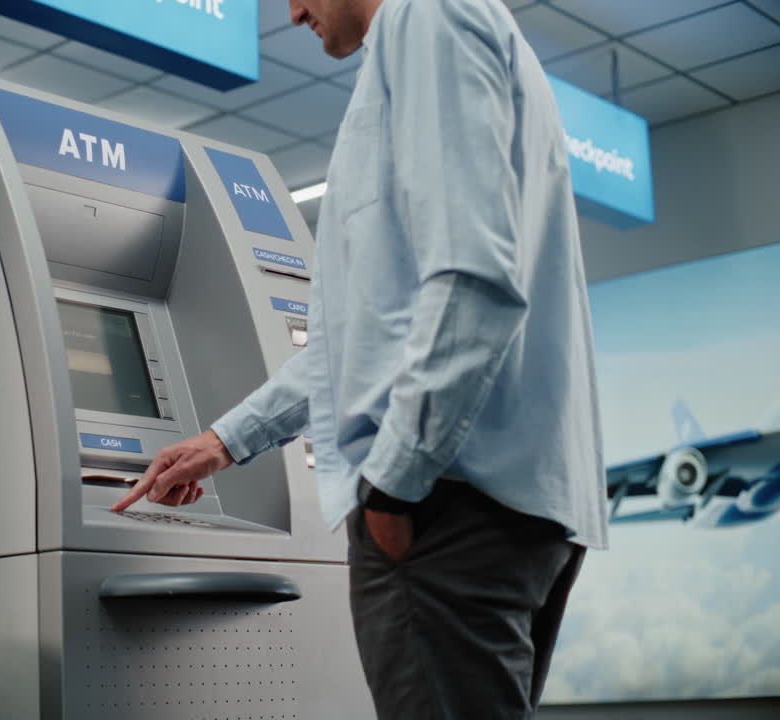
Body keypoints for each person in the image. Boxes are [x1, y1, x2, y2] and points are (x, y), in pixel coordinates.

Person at [111, 0, 611, 716]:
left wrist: (392, 490)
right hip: (501, 507)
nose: (292, 14)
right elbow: (363, 343)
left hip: (446, 509)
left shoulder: (427, 20)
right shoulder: (459, 33)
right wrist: (223, 442)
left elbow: (472, 281)